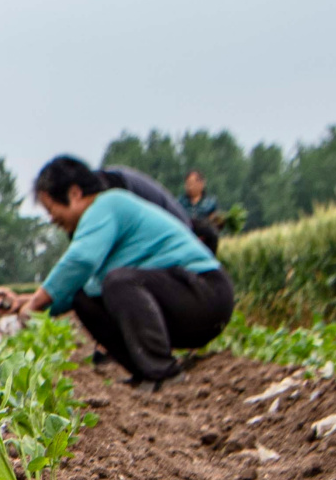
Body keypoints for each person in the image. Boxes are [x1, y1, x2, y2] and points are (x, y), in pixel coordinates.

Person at [22, 156, 232, 389]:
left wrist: (34, 303)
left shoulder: (107, 204)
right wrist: (26, 306)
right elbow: (74, 288)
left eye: (51, 209)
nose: (52, 219)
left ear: (74, 193)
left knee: (119, 282)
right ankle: (146, 373)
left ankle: (163, 373)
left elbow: (80, 260)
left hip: (207, 294)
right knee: (82, 296)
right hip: (181, 302)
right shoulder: (100, 223)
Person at [101, 163, 218, 254]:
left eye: (192, 183)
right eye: (188, 183)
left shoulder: (208, 204)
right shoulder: (180, 227)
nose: (189, 187)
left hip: (118, 180)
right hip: (118, 183)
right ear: (199, 241)